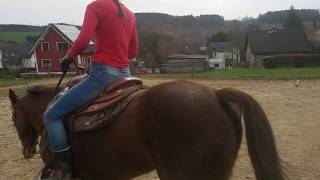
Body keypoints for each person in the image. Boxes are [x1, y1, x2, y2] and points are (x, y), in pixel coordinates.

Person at [43, 0, 138, 179]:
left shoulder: (95, 7)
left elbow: (83, 40)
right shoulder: (130, 14)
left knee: (52, 115)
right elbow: (132, 51)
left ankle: (63, 170)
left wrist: (68, 56)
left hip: (103, 74)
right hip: (126, 74)